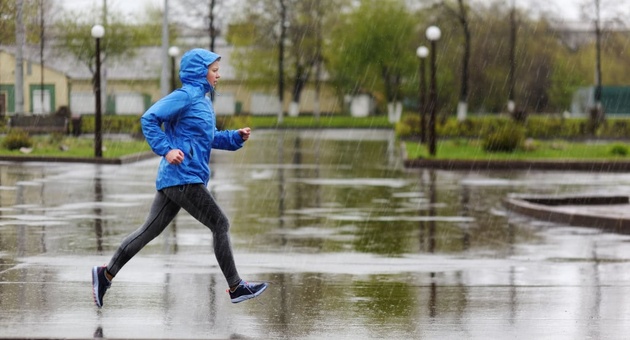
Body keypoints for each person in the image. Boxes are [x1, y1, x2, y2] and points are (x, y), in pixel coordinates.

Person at [91, 48, 267, 308]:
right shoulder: (185, 96)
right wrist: (166, 149)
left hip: (178, 178)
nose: (218, 75)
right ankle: (236, 286)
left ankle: (105, 274)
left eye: (218, 71)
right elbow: (149, 118)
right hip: (182, 176)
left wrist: (234, 137)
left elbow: (208, 137)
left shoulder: (203, 101)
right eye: (214, 70)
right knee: (220, 223)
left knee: (148, 232)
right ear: (200, 72)